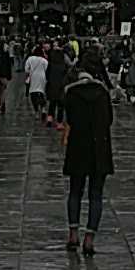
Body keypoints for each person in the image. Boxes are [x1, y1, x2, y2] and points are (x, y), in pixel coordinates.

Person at [63, 50, 114, 256]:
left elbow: (69, 118)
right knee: (96, 194)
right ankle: (89, 238)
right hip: (99, 147)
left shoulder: (72, 92)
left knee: (75, 191)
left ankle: (73, 233)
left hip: (78, 145)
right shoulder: (103, 93)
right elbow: (109, 120)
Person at [46, 39, 71, 126]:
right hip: (61, 85)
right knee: (60, 104)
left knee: (52, 102)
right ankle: (59, 122)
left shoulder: (51, 64)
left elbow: (47, 74)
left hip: (52, 84)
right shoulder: (63, 65)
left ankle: (50, 119)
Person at [24, 44, 48, 120]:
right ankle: (43, 108)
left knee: (33, 94)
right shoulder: (44, 60)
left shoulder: (30, 59)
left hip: (33, 77)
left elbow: (26, 70)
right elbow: (47, 69)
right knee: (41, 93)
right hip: (42, 78)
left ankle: (36, 111)